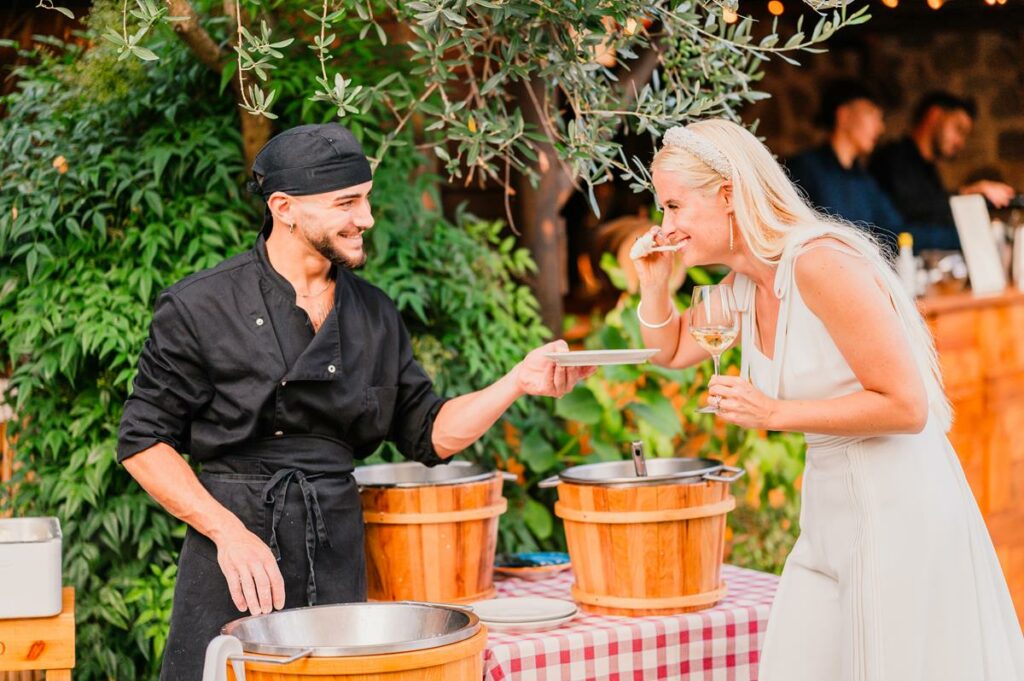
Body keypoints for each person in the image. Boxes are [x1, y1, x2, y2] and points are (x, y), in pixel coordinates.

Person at [117, 123, 596, 681]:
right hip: (235, 557)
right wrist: (228, 534)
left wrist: (517, 381)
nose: (365, 219)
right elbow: (143, 442)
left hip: (336, 551)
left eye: (365, 200)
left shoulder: (375, 313)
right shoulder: (200, 306)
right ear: (284, 208)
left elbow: (431, 433)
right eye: (347, 203)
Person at [633, 120, 1024, 679]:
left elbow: (907, 406)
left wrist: (774, 413)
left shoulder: (819, 263)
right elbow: (670, 350)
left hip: (898, 508)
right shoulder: (743, 286)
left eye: (673, 206)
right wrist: (653, 283)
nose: (665, 223)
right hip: (828, 514)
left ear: (727, 196)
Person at [870, 91, 1016, 251]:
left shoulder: (929, 169)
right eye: (959, 129)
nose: (961, 142)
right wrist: (965, 194)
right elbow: (911, 210)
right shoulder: (892, 158)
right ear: (935, 115)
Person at [786, 80, 902, 252]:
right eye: (872, 114)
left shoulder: (865, 180)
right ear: (844, 116)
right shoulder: (804, 168)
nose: (880, 128)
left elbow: (895, 231)